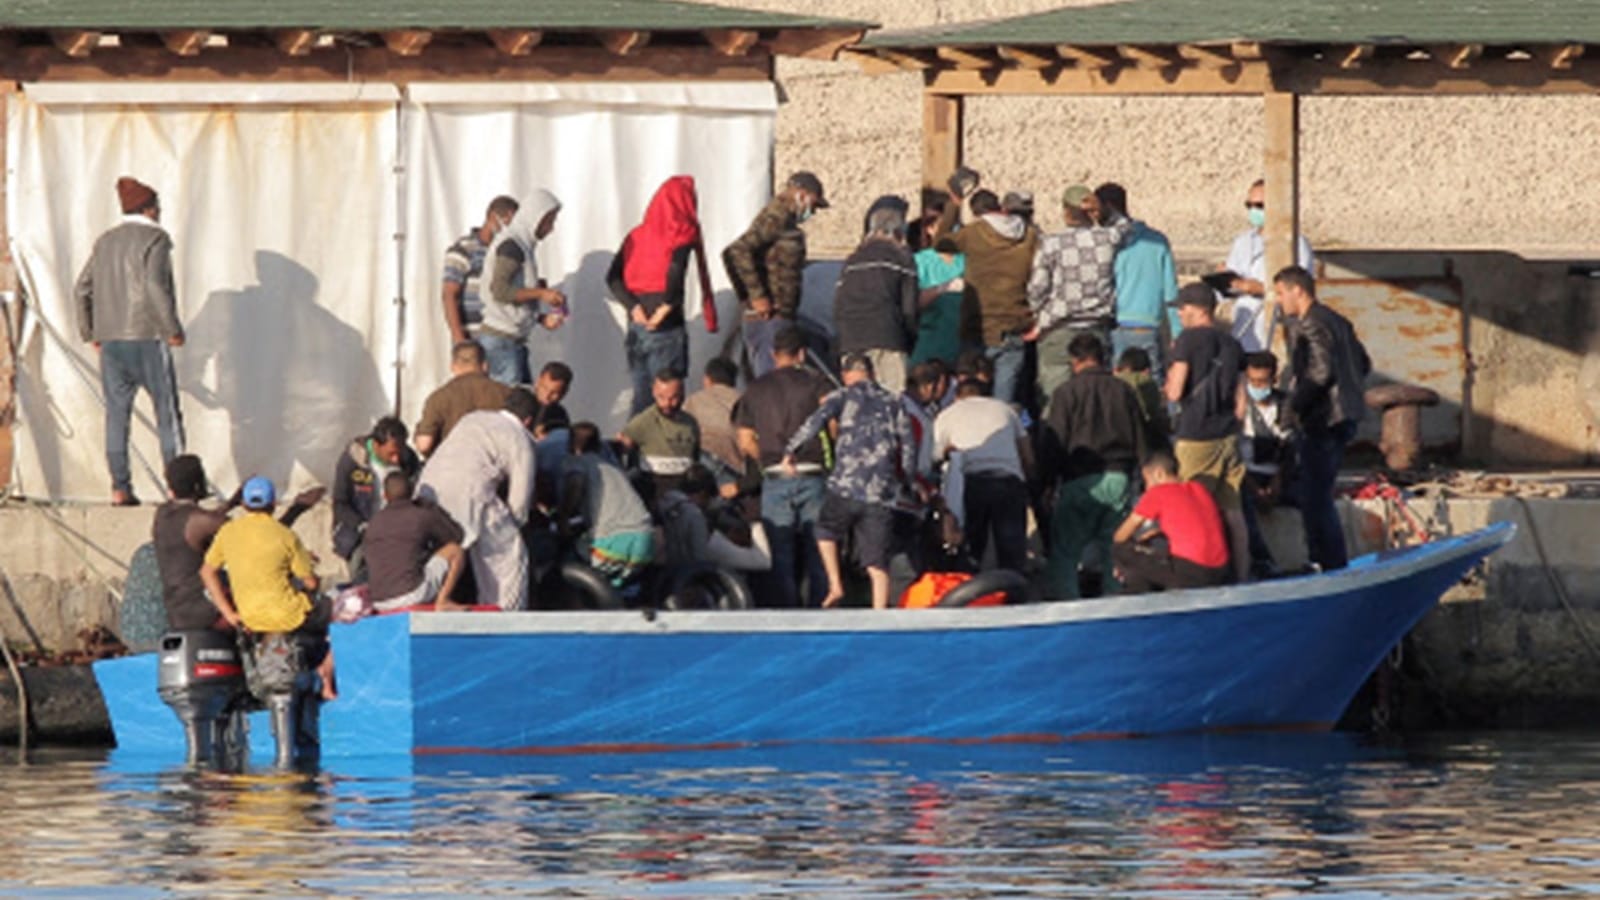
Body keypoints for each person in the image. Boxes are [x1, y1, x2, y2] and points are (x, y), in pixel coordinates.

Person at [74, 176, 186, 506]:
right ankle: (176, 490)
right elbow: (153, 286)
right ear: (149, 209)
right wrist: (172, 328)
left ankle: (120, 488)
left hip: (111, 341)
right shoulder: (156, 239)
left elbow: (82, 287)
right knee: (167, 414)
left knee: (116, 417)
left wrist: (90, 332)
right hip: (148, 336)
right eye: (158, 207)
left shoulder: (105, 241)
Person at [781, 353, 917, 610]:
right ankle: (880, 613)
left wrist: (791, 450)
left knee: (825, 531)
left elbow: (815, 422)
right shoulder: (894, 401)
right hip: (880, 490)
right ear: (872, 373)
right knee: (877, 563)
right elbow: (908, 445)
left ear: (845, 375)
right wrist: (907, 481)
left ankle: (835, 584)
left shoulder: (842, 396)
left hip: (846, 484)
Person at [199, 476, 336, 700]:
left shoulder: (228, 533)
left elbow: (207, 572)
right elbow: (311, 583)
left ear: (243, 505)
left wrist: (230, 613)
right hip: (288, 616)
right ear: (273, 505)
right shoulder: (286, 536)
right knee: (337, 611)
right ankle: (325, 676)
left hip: (249, 618)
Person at [152, 455, 322, 632]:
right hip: (204, 607)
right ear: (197, 485)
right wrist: (296, 510)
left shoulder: (163, 514)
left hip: (175, 609)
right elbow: (257, 533)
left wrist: (232, 502)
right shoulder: (202, 521)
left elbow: (217, 522)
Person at [1274, 265, 1371, 571]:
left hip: (1324, 418)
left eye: (1280, 293)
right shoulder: (1337, 320)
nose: (1279, 301)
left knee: (1316, 497)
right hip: (1344, 415)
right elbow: (1363, 362)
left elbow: (1320, 371)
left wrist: (1294, 405)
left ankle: (1327, 562)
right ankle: (1327, 560)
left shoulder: (1311, 323)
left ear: (1297, 291)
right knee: (1318, 491)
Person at [1039, 333, 1148, 600]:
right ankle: (1114, 601)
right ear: (1102, 358)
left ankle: (1068, 606)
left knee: (1066, 551)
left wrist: (1047, 483)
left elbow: (1055, 442)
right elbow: (1141, 438)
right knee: (1115, 547)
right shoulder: (1124, 390)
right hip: (1119, 477)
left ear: (1074, 362)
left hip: (1079, 480)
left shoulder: (1065, 393)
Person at [731, 326, 832, 607]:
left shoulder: (755, 389)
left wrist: (765, 459)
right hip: (812, 471)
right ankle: (820, 613)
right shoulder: (818, 382)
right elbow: (833, 422)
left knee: (780, 554)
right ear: (802, 354)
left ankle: (786, 613)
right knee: (819, 550)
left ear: (774, 355)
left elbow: (744, 439)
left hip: (775, 475)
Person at [416, 389, 539, 611]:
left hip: (428, 490)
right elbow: (520, 499)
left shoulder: (472, 418)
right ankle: (502, 620)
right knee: (508, 556)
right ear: (528, 420)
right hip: (471, 494)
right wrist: (515, 525)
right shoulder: (519, 437)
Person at [607, 175, 717, 417]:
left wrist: (633, 307)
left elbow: (613, 277)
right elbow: (676, 270)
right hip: (665, 326)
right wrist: (666, 307)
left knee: (642, 397)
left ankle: (635, 451)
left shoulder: (636, 235)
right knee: (668, 401)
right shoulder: (681, 230)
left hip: (637, 326)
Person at [1165, 282, 1250, 582]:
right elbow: (1242, 403)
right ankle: (1242, 575)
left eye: (1183, 308)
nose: (1180, 314)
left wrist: (1167, 386)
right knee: (1233, 511)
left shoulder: (1187, 341)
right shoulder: (1233, 344)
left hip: (1195, 435)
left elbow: (1175, 392)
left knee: (1191, 506)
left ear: (1199, 309)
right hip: (1228, 435)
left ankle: (1194, 574)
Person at [1024, 184, 1135, 409]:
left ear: (1066, 212)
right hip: (1097, 326)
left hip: (1059, 328)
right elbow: (1127, 225)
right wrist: (1105, 212)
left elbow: (1037, 289)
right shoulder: (1107, 238)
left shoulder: (1051, 243)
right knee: (1094, 400)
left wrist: (1039, 314)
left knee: (1054, 400)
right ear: (1091, 212)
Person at [931, 183, 1039, 406]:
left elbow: (940, 243)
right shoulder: (1030, 235)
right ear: (1001, 207)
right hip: (1015, 324)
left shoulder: (974, 232)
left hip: (977, 327)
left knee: (971, 399)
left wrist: (953, 205)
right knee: (1004, 402)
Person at [723, 171, 828, 378]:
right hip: (768, 320)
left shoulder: (787, 221)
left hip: (779, 317)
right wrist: (756, 296)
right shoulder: (776, 217)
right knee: (773, 381)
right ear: (801, 194)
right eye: (813, 205)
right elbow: (737, 250)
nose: (813, 212)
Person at [933, 377, 1035, 574]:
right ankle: (1015, 595)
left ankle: (971, 593)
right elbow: (1027, 453)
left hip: (971, 483)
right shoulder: (1005, 410)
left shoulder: (947, 415)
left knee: (971, 547)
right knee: (1012, 551)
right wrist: (1030, 482)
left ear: (957, 397)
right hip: (1008, 481)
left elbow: (935, 455)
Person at [1111, 452, 1232, 593]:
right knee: (1152, 546)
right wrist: (1156, 533)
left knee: (1120, 550)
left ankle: (1136, 592)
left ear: (1159, 474)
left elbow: (1120, 536)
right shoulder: (1199, 488)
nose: (1146, 487)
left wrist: (1132, 548)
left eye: (1147, 481)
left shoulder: (1157, 493)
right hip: (1220, 570)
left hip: (1192, 573)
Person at [1096, 183, 1179, 386]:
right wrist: (1177, 332)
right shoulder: (1157, 241)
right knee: (1150, 386)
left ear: (1108, 206)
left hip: (1115, 326)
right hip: (1147, 326)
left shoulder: (1107, 242)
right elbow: (1171, 292)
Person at [833, 198, 918, 393]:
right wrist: (909, 341)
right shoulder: (902, 259)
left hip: (851, 341)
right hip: (887, 338)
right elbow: (909, 309)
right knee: (891, 402)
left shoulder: (852, 260)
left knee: (857, 402)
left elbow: (838, 305)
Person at [481, 190, 566, 386]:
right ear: (535, 218)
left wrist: (539, 317)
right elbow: (500, 290)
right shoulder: (512, 246)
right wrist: (541, 293)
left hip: (510, 340)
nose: (551, 228)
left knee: (522, 400)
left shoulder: (522, 246)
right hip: (501, 342)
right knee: (510, 409)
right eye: (549, 221)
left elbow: (514, 298)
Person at [559, 422, 656, 589]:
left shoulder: (577, 462)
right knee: (620, 586)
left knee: (570, 562)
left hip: (612, 544)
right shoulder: (613, 469)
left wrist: (564, 516)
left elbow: (576, 482)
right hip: (645, 541)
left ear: (571, 443)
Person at [1222, 179, 1315, 352]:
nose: (1253, 211)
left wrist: (1262, 289)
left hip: (1277, 330)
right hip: (1244, 328)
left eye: (1259, 205)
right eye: (1249, 205)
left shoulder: (1295, 244)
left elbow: (1302, 289)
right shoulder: (1242, 242)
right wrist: (1226, 281)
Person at [332, 416, 421, 579]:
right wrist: (362, 526)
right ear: (376, 445)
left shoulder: (408, 459)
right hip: (359, 535)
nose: (396, 459)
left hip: (396, 535)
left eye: (399, 452)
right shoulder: (352, 461)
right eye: (391, 454)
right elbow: (339, 503)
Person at [363, 472, 466, 612]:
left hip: (379, 601)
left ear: (385, 496)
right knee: (455, 551)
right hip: (411, 594)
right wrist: (433, 509)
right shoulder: (421, 515)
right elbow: (456, 536)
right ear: (412, 493)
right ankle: (443, 601)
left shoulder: (374, 522)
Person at [1239, 351, 1296, 576]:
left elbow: (1290, 446)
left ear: (1274, 379)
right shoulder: (1239, 407)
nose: (1257, 387)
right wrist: (1254, 486)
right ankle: (1262, 562)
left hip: (1278, 474)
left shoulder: (1286, 405)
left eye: (1262, 382)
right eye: (1252, 382)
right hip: (1247, 475)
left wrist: (1277, 481)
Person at [657, 465, 772, 572]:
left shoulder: (664, 505)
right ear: (702, 494)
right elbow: (762, 562)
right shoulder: (697, 521)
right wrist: (753, 522)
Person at [442, 195, 519, 345]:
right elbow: (449, 295)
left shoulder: (508, 252)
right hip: (473, 337)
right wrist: (459, 338)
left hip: (503, 337)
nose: (511, 229)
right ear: (492, 217)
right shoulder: (463, 249)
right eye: (508, 222)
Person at [414, 340, 513, 456]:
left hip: (453, 466)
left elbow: (424, 444)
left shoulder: (439, 397)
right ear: (485, 366)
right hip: (495, 467)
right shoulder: (506, 393)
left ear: (453, 367)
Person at [618, 368, 700, 501]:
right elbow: (621, 449)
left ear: (682, 394)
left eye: (674, 397)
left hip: (683, 492)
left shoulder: (690, 424)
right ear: (654, 393)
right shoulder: (643, 422)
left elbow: (696, 458)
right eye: (662, 397)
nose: (667, 403)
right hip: (654, 492)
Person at [911, 206, 965, 367]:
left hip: (963, 339)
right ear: (930, 229)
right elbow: (914, 302)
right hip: (932, 340)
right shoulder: (921, 262)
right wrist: (942, 288)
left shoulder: (966, 260)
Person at [683, 357, 744, 483]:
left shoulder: (693, 400)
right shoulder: (744, 401)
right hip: (734, 472)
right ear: (733, 381)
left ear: (707, 379)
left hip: (698, 468)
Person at [1115, 346, 1172, 450]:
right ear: (1146, 370)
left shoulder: (1111, 382)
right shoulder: (1147, 382)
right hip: (1144, 441)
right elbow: (1154, 414)